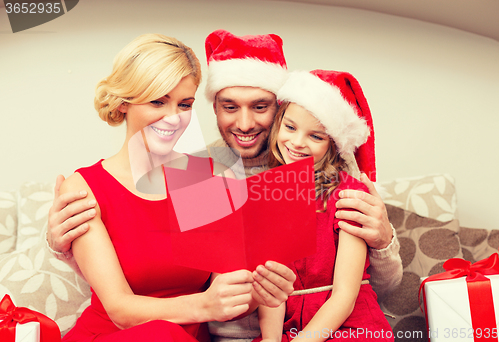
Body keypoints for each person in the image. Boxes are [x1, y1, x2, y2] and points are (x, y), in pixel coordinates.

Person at [47, 30, 402, 341]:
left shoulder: (324, 176)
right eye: (230, 106)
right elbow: (130, 286)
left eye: (260, 106)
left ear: (281, 109)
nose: (245, 122)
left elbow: (375, 287)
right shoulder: (206, 170)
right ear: (215, 108)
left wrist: (383, 240)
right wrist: (67, 248)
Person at [58, 33, 295, 342]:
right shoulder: (86, 187)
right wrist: (205, 305)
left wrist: (262, 291)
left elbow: (227, 296)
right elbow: (120, 309)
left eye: (184, 104)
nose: (173, 118)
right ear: (124, 102)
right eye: (158, 101)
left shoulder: (209, 179)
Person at [254, 69, 394, 342]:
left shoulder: (349, 195)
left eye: (315, 137)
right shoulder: (265, 194)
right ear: (278, 124)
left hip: (349, 325)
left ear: (333, 145)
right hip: (289, 327)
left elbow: (345, 295)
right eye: (290, 127)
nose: (296, 143)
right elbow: (272, 290)